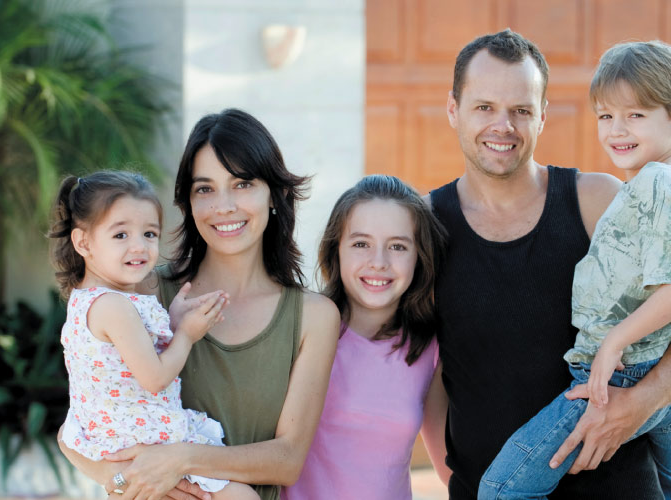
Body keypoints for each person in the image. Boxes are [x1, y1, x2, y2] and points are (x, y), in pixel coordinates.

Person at [426, 29, 671, 499]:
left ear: (543, 116)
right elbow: (425, 369)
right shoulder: (424, 227)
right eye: (484, 107)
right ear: (454, 109)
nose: (503, 125)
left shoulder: (601, 200)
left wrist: (645, 400)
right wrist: (449, 473)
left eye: (522, 110)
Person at [57, 109, 340, 500]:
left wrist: (181, 459)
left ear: (276, 195)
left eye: (242, 184)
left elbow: (287, 461)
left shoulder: (312, 317)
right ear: (187, 202)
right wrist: (121, 479)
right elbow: (78, 425)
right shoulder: (145, 293)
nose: (223, 206)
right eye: (204, 189)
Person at [49, 171, 259, 499]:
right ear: (83, 243)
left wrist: (171, 324)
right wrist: (187, 336)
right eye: (120, 235)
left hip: (123, 444)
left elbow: (125, 361)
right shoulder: (114, 307)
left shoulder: (87, 300)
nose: (139, 246)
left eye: (149, 233)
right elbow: (155, 377)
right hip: (144, 446)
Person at [282, 175, 450, 500]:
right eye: (361, 244)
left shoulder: (430, 348)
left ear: (420, 256)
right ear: (336, 250)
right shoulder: (298, 327)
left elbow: (448, 467)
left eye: (398, 246)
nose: (379, 262)